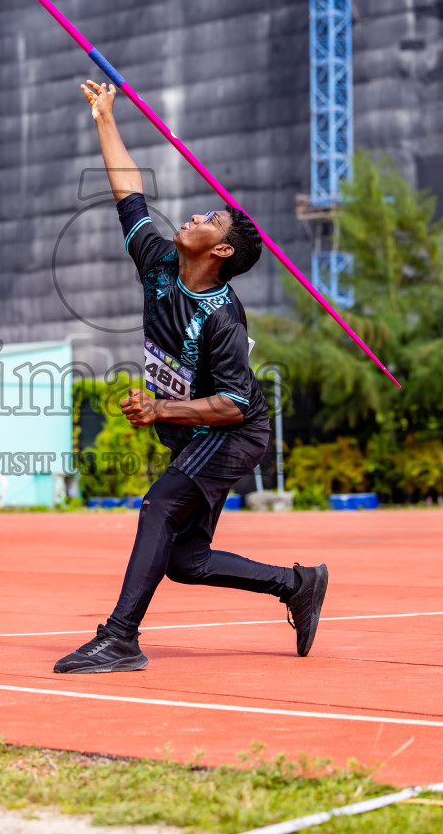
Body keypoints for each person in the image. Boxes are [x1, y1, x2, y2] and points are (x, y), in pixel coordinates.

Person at [54, 81, 328, 674]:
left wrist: (158, 410)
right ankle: (298, 584)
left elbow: (232, 405)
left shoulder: (223, 320)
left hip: (231, 431)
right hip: (195, 430)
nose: (195, 215)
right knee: (186, 560)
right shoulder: (156, 263)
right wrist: (105, 117)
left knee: (156, 509)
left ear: (222, 251)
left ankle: (120, 637)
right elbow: (128, 189)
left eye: (211, 218)